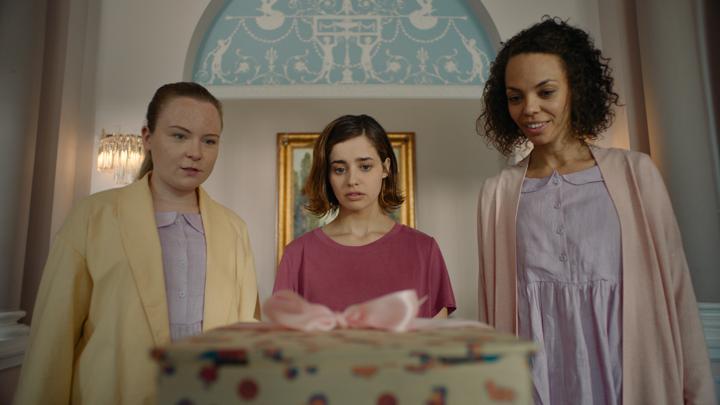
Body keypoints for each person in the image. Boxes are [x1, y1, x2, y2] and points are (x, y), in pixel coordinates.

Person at [476, 17, 715, 405]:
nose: (529, 109)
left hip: (628, 374)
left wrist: (698, 396)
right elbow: (493, 313)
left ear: (577, 88)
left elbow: (678, 294)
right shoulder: (497, 194)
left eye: (546, 92)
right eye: (515, 97)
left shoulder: (636, 174)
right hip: (536, 379)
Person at [15, 82, 260, 404]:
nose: (195, 152)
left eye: (209, 140)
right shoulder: (93, 217)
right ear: (148, 137)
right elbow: (53, 336)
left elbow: (247, 331)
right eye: (179, 136)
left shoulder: (234, 229)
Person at [273, 114, 455, 318]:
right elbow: (282, 335)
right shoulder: (298, 255)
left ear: (385, 168)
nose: (352, 180)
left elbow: (437, 335)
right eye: (339, 169)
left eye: (365, 166)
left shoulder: (424, 251)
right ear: (327, 175)